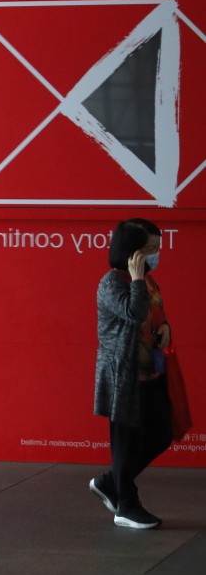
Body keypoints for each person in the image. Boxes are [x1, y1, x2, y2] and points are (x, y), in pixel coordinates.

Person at [91, 218, 172, 529]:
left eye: (158, 248)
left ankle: (110, 482)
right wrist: (137, 278)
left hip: (151, 370)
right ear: (131, 252)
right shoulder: (111, 283)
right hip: (123, 376)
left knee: (162, 433)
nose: (156, 254)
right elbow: (134, 312)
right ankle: (125, 505)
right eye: (150, 249)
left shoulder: (147, 281)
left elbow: (154, 315)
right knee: (125, 442)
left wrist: (166, 328)